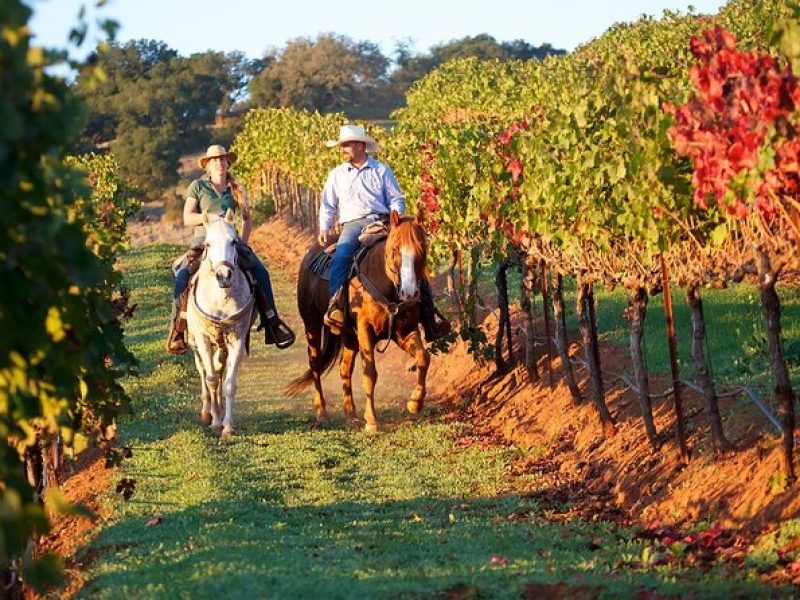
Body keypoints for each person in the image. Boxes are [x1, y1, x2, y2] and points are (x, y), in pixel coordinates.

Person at [319, 124, 450, 341]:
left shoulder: (381, 170)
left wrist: (396, 217)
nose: (343, 149)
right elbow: (328, 205)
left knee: (410, 256)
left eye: (347, 145)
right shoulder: (337, 175)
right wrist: (324, 227)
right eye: (342, 145)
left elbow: (396, 198)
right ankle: (336, 306)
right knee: (341, 256)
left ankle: (428, 317)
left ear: (361, 146)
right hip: (352, 224)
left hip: (382, 222)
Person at [166, 144, 295, 354]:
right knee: (182, 276)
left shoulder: (236, 188)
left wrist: (241, 242)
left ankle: (272, 322)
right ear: (207, 165)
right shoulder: (197, 186)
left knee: (261, 273)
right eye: (215, 160)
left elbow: (246, 219)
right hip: (204, 241)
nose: (220, 163)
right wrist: (206, 217)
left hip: (230, 242)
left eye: (223, 159)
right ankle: (178, 330)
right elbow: (187, 217)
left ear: (228, 163)